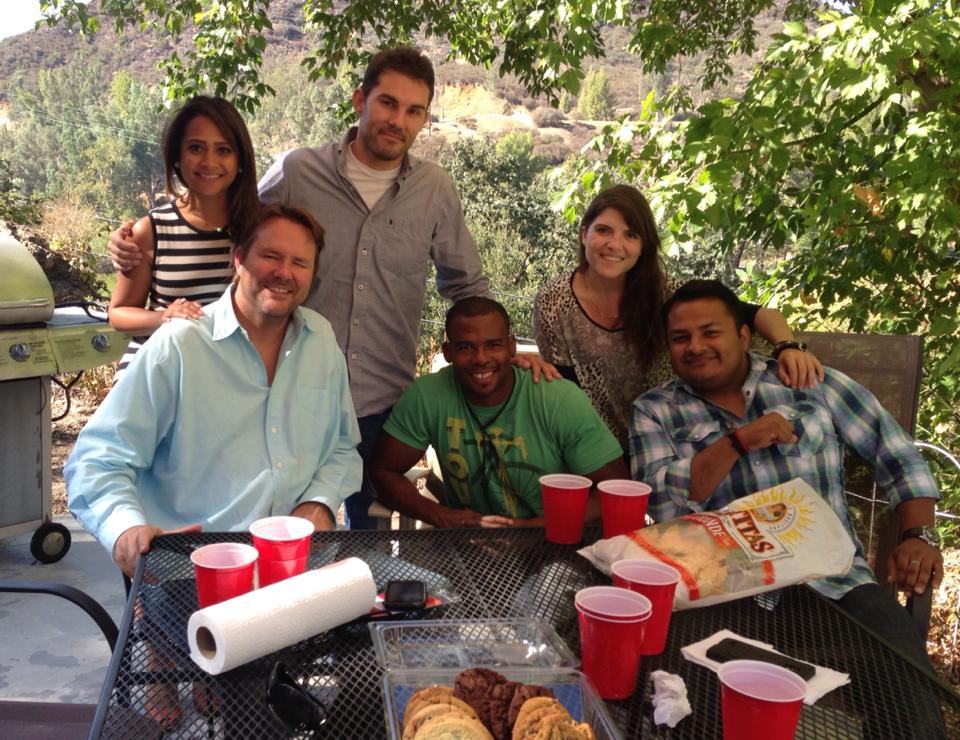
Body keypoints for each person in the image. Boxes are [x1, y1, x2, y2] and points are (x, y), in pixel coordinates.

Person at [107, 48, 554, 528]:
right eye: (387, 103)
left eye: (413, 110)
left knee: (370, 549)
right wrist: (137, 237)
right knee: (276, 530)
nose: (397, 120)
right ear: (361, 99)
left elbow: (467, 285)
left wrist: (502, 348)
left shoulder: (435, 190)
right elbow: (236, 222)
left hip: (383, 401)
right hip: (293, 395)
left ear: (425, 118)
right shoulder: (299, 172)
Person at [631, 279, 942, 670]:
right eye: (680, 338)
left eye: (710, 332)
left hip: (833, 586)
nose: (695, 347)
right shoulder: (655, 410)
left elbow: (896, 453)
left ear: (744, 336)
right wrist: (736, 443)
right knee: (684, 705)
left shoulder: (810, 382)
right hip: (716, 593)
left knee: (906, 690)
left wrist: (918, 534)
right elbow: (658, 503)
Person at [66, 204, 361, 577]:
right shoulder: (180, 346)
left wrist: (319, 502)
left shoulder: (320, 339)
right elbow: (96, 460)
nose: (284, 273)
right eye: (270, 256)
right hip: (190, 575)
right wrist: (125, 530)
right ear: (239, 259)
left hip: (299, 568)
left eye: (299, 263)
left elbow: (341, 446)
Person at [533, 184, 824, 449]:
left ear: (643, 245)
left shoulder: (668, 294)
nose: (614, 244)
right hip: (598, 449)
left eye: (630, 235)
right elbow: (566, 394)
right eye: (603, 230)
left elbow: (757, 314)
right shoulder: (554, 302)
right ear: (584, 233)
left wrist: (787, 346)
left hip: (676, 438)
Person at [370, 297, 627, 528]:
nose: (480, 358)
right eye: (466, 347)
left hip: (555, 541)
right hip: (469, 545)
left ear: (511, 346)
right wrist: (441, 516)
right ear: (448, 353)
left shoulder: (557, 398)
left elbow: (617, 490)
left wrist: (531, 529)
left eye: (493, 345)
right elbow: (383, 471)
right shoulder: (427, 396)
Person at [108, 96, 259, 379]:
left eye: (223, 149)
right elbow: (119, 313)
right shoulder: (152, 230)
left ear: (240, 160)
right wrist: (164, 317)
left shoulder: (258, 229)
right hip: (158, 370)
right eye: (195, 148)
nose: (209, 161)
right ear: (177, 157)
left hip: (230, 374)